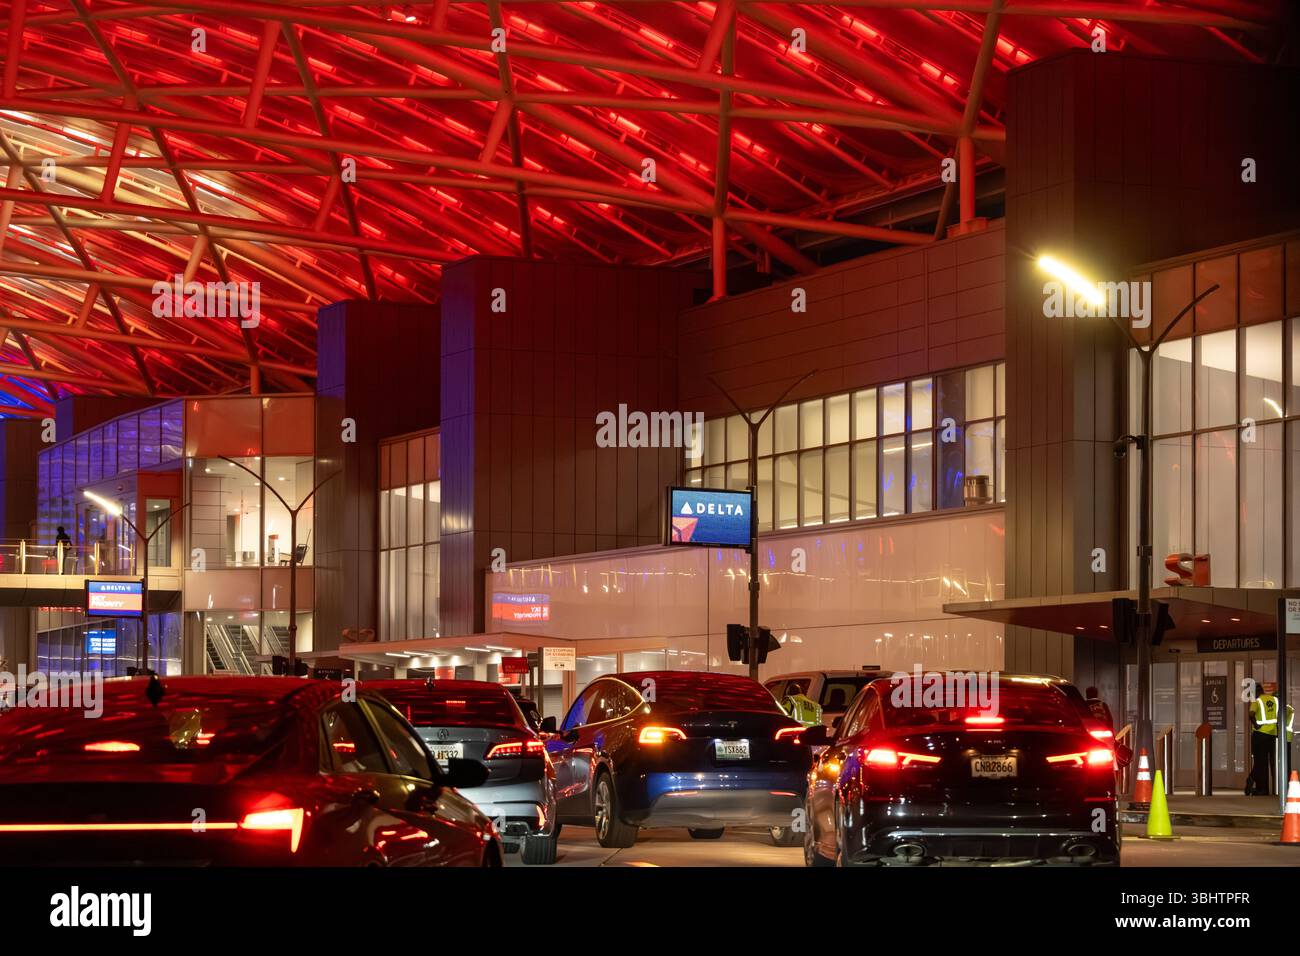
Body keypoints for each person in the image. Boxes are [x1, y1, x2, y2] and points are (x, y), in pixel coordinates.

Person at [1246, 682, 1294, 796]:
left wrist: (1256, 725)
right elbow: (1280, 714)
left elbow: (1251, 714)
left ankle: (1261, 788)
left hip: (1260, 735)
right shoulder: (1274, 700)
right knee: (1271, 761)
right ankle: (1271, 788)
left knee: (1260, 761)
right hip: (1273, 735)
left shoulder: (1256, 701)